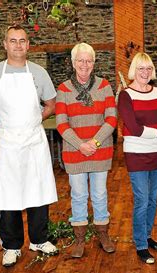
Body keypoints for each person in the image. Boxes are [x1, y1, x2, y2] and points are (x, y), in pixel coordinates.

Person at [0, 25, 58, 267]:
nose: (18, 45)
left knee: (38, 190)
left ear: (28, 44)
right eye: (13, 40)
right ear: (5, 44)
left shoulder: (39, 73)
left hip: (33, 142)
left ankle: (39, 239)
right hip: (6, 144)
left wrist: (35, 121)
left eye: (22, 41)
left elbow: (51, 104)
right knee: (8, 195)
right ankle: (11, 246)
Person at [55, 43, 117, 257]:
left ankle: (103, 234)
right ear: (73, 63)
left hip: (100, 151)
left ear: (93, 63)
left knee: (100, 194)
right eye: (80, 60)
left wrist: (95, 143)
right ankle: (79, 238)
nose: (84, 64)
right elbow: (61, 123)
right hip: (75, 152)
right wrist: (80, 144)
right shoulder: (63, 89)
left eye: (88, 60)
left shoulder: (104, 86)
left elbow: (111, 119)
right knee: (79, 195)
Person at [117, 52, 157, 264]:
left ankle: (147, 236)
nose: (145, 72)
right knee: (141, 200)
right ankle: (140, 244)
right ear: (133, 71)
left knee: (151, 199)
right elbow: (134, 128)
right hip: (136, 155)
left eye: (148, 68)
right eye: (141, 68)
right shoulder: (126, 95)